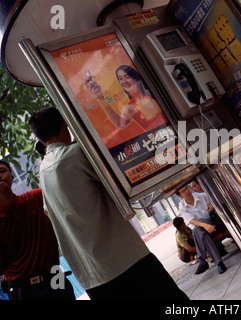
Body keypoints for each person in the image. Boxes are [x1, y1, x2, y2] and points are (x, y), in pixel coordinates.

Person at [28, 107, 188, 300]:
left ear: (40, 138)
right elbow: (121, 181)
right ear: (64, 126)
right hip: (125, 259)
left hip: (92, 276)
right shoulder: (76, 154)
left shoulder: (43, 171)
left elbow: (48, 211)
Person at [0, 160, 75, 300]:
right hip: (20, 289)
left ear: (12, 176)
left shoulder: (37, 198)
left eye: (2, 171)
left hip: (55, 277)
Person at [85, 64, 167, 132]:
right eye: (120, 79)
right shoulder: (130, 107)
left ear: (137, 79)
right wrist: (100, 97)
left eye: (127, 77)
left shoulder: (154, 91)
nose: (124, 81)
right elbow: (120, 123)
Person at [175, 184, 227, 275]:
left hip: (213, 224)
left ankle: (202, 260)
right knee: (201, 233)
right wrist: (204, 225)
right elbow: (191, 220)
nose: (186, 191)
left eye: (186, 188)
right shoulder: (182, 207)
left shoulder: (202, 196)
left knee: (196, 230)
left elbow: (215, 199)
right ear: (180, 196)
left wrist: (212, 204)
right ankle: (219, 263)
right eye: (183, 191)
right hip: (202, 229)